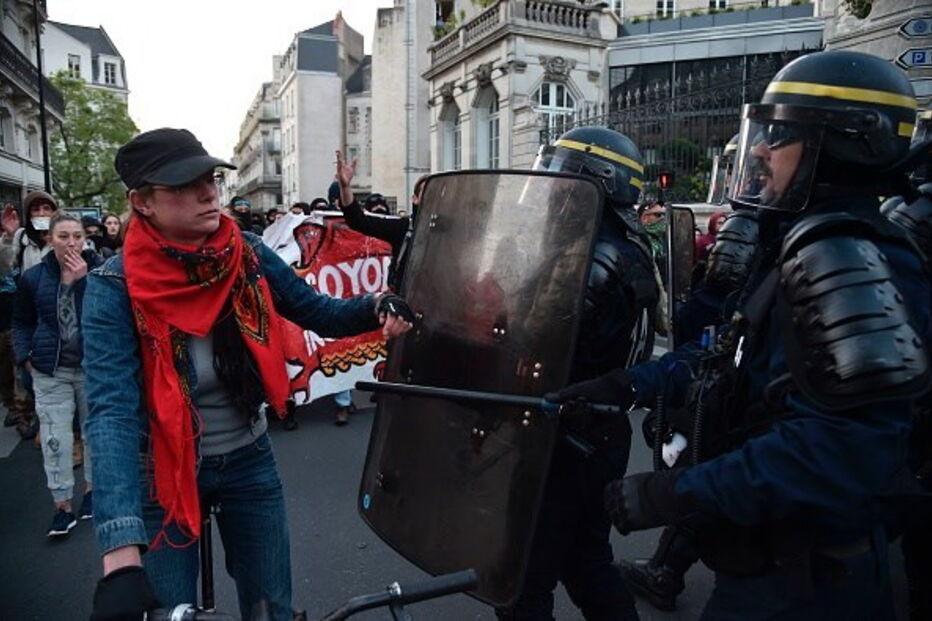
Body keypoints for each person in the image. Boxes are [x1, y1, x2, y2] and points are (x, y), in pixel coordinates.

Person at [551, 51, 932, 619]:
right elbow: (725, 357)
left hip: (806, 582)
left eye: (779, 135)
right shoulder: (798, 246)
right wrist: (622, 385)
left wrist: (676, 493)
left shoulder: (845, 254)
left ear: (845, 144)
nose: (758, 149)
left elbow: (843, 449)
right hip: (769, 567)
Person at [84, 128, 415, 621]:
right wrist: (120, 555)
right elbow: (111, 413)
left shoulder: (248, 252)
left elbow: (318, 312)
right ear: (142, 202)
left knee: (271, 611)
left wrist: (376, 304)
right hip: (162, 476)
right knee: (167, 611)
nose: (207, 193)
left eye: (210, 178)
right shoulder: (113, 286)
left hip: (248, 458)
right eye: (182, 186)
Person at [490, 127, 658, 621]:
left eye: (563, 180)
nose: (553, 191)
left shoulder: (589, 261)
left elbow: (535, 347)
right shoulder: (623, 246)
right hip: (598, 433)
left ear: (595, 185)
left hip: (562, 439)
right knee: (587, 562)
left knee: (520, 581)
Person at [12, 212, 101, 536]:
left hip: (92, 368)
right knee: (55, 439)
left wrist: (83, 281)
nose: (72, 243)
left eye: (77, 236)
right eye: (63, 236)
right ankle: (62, 505)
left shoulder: (100, 271)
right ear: (50, 239)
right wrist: (26, 357)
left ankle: (92, 492)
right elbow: (21, 322)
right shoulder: (34, 278)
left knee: (94, 434)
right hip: (51, 370)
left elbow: (107, 314)